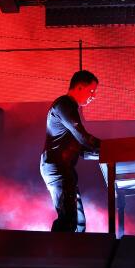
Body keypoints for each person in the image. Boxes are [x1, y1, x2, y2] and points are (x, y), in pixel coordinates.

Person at [40, 70, 101, 233]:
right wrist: (109, 148)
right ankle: (57, 255)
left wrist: (105, 152)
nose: (93, 96)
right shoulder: (65, 105)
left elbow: (79, 147)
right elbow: (83, 138)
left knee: (78, 222)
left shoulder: (68, 108)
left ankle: (69, 253)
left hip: (62, 168)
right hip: (58, 167)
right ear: (79, 87)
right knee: (69, 221)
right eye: (91, 90)